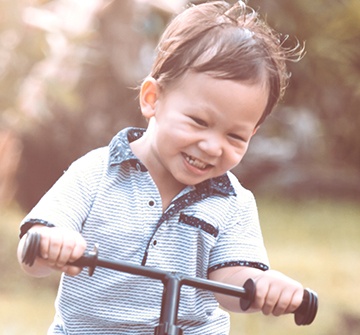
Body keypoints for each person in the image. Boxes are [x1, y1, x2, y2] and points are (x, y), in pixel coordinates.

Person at [17, 1, 305, 334]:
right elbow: (34, 254)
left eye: (235, 136)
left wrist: (265, 285)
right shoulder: (97, 173)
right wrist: (53, 242)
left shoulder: (233, 203)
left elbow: (232, 280)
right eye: (198, 121)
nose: (213, 146)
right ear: (152, 99)